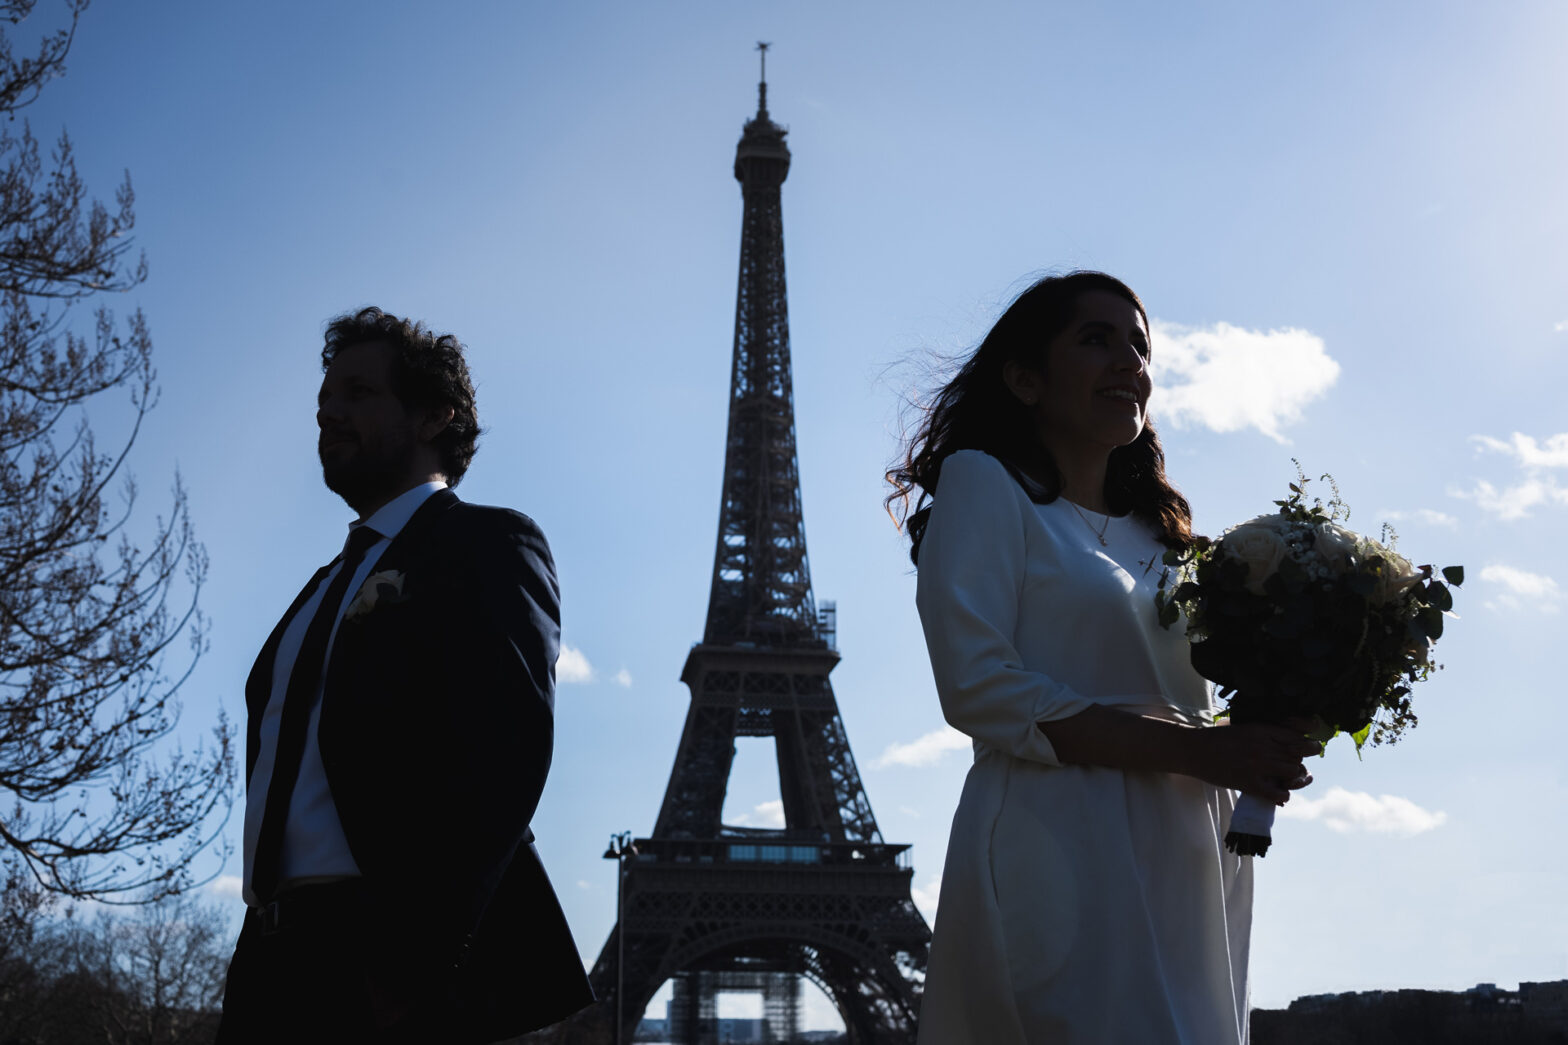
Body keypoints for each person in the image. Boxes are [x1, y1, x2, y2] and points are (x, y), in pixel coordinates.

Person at [887, 272, 1319, 1044]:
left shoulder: (1167, 541)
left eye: (1140, 345)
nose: (1129, 361)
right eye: (1096, 339)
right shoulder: (985, 485)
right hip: (1065, 838)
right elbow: (981, 688)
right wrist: (1203, 750)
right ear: (1024, 378)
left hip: (1189, 850)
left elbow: (1203, 698)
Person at [217, 307, 593, 1042]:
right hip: (269, 960)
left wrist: (414, 962)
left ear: (434, 415)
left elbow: (506, 750)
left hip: (383, 955)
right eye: (324, 401)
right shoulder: (319, 588)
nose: (330, 413)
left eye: (358, 393)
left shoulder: (485, 544)